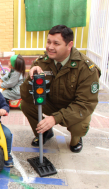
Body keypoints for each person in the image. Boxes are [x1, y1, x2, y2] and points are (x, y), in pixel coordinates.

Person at [20, 25, 101, 153]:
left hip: (74, 107)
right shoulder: (41, 62)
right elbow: (25, 95)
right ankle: (45, 132)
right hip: (52, 103)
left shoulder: (86, 68)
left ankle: (76, 138)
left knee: (79, 126)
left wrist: (55, 118)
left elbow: (85, 104)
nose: (50, 47)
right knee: (26, 104)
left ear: (69, 45)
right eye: (48, 42)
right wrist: (31, 78)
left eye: (56, 43)